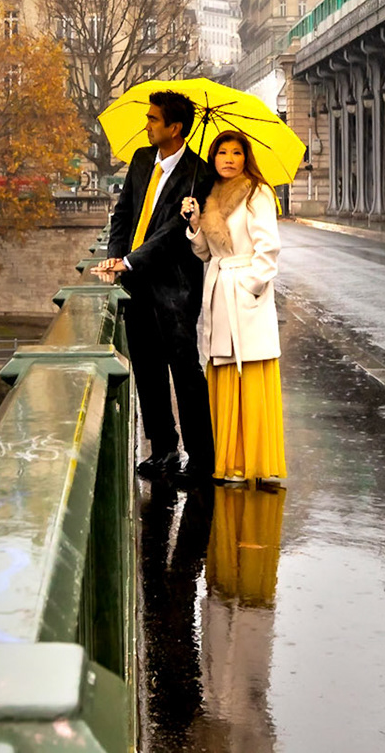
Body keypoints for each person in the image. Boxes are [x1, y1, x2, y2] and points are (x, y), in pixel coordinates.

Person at [97, 90, 214, 481]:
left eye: (153, 119)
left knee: (184, 369)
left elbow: (172, 233)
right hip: (136, 281)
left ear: (174, 128)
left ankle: (200, 456)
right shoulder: (143, 159)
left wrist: (129, 260)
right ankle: (163, 448)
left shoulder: (199, 174)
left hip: (175, 287)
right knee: (147, 368)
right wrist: (117, 255)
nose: (146, 124)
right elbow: (124, 213)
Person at [182, 130, 287, 486]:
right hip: (219, 291)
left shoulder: (257, 193)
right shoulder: (210, 198)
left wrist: (250, 286)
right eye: (222, 153)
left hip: (244, 294)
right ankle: (231, 462)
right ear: (212, 159)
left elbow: (268, 249)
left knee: (250, 371)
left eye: (236, 153)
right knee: (225, 372)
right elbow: (207, 254)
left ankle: (254, 462)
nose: (228, 159)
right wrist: (196, 225)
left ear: (246, 158)